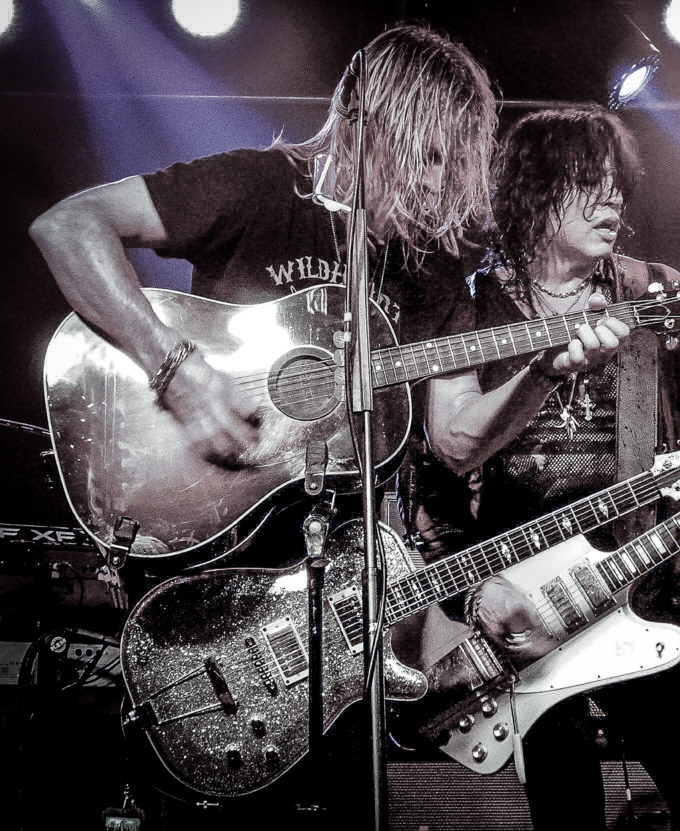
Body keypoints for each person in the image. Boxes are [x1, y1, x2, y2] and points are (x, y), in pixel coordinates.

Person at [26, 21, 545, 831]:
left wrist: (546, 364)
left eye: (451, 159)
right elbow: (67, 227)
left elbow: (455, 438)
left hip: (339, 606)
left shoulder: (426, 260)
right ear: (363, 116)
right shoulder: (255, 189)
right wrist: (175, 368)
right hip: (206, 569)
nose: (436, 182)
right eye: (424, 152)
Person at [407, 105, 680, 830]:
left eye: (619, 186)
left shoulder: (653, 290)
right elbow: (435, 471)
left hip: (647, 592)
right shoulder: (473, 304)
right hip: (526, 617)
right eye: (591, 182)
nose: (614, 200)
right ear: (535, 190)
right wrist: (472, 592)